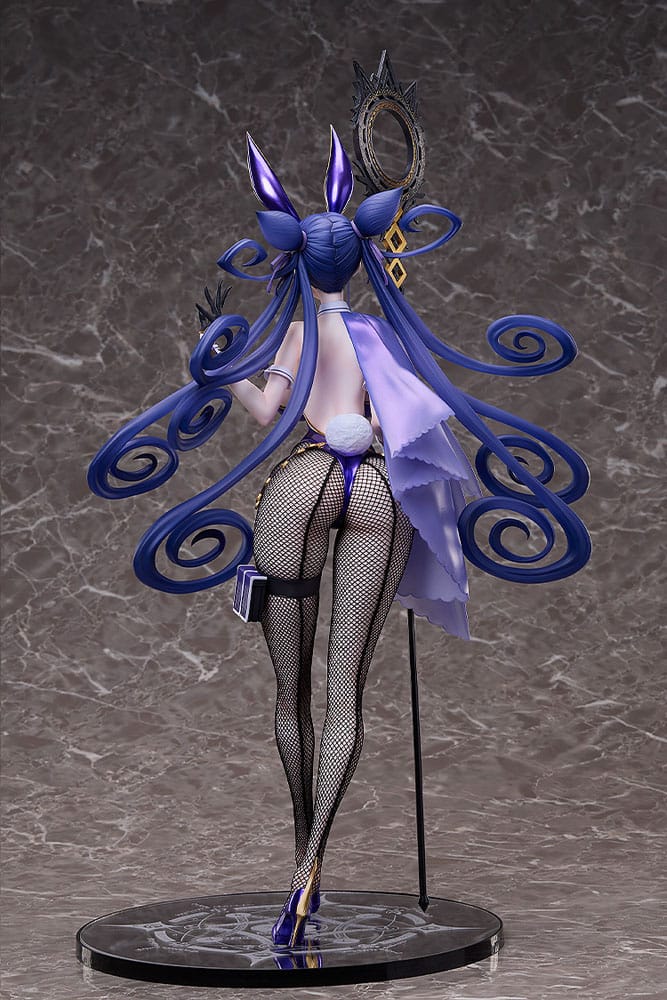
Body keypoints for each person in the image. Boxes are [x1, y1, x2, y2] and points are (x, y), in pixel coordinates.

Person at [88, 127, 590, 949]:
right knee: (345, 689)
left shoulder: (294, 337)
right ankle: (307, 872)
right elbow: (413, 416)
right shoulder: (377, 336)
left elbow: (264, 412)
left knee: (289, 692)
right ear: (360, 260)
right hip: (378, 491)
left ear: (291, 261)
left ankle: (302, 858)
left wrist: (222, 363)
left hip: (303, 482)